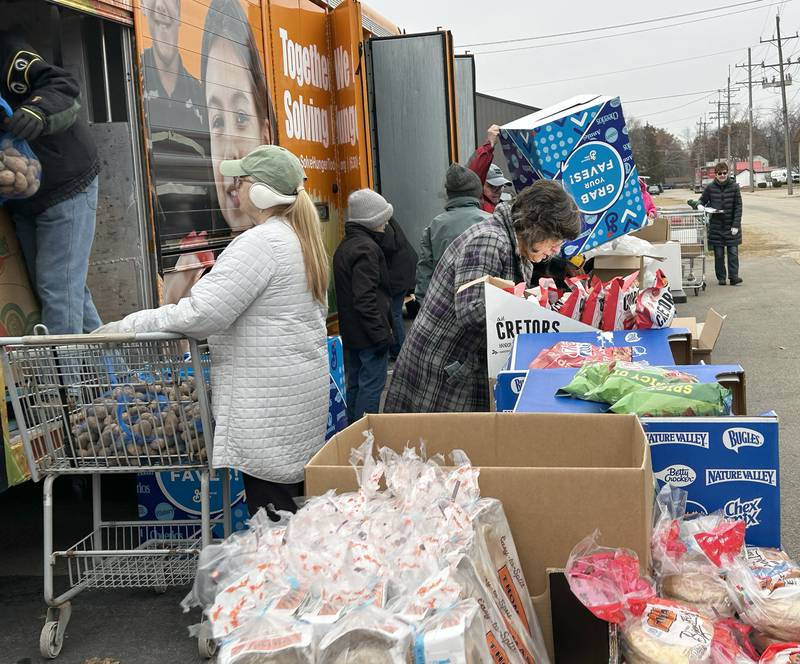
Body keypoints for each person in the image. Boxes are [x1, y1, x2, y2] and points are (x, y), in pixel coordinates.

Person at [94, 146, 329, 519]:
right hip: (291, 400)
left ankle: (279, 576)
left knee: (273, 523)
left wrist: (128, 326)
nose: (234, 188)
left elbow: (201, 314)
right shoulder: (296, 237)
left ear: (261, 192)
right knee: (290, 516)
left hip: (267, 408)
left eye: (243, 181)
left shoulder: (260, 243)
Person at [384, 180, 581, 414]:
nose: (556, 250)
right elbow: (472, 312)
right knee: (429, 446)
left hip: (459, 364)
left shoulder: (516, 244)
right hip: (442, 368)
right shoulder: (489, 240)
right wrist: (531, 311)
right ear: (536, 228)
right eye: (555, 241)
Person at [164, 0, 278, 304]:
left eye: (241, 119)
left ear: (265, 135)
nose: (228, 153)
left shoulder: (273, 252)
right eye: (217, 121)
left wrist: (173, 311)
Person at [0, 32, 102, 334]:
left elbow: (63, 84)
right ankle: (115, 375)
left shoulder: (8, 54)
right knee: (66, 290)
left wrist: (38, 111)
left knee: (58, 290)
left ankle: (67, 383)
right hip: (23, 198)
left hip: (65, 182)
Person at [333, 189, 394, 423]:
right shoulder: (367, 249)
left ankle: (353, 436)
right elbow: (365, 298)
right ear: (371, 220)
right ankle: (366, 436)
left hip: (352, 333)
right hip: (369, 334)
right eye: (382, 217)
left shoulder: (346, 246)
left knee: (356, 385)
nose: (386, 222)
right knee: (371, 387)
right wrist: (381, 335)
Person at [415, 164, 491, 304]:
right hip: (484, 304)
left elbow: (425, 271)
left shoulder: (435, 226)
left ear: (449, 194)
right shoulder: (490, 222)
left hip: (445, 304)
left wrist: (424, 303)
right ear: (477, 192)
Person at [700, 162, 743, 286]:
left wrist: (735, 225)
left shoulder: (734, 187)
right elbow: (702, 200)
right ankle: (721, 278)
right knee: (718, 255)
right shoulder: (710, 187)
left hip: (731, 226)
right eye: (720, 173)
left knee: (733, 253)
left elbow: (738, 207)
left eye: (725, 173)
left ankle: (734, 277)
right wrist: (700, 206)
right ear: (716, 174)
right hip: (716, 227)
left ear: (728, 173)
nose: (722, 175)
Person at [380, 216, 417, 360]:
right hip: (404, 270)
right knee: (395, 312)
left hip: (398, 273)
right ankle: (400, 350)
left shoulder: (385, 227)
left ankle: (399, 351)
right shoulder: (390, 222)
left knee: (394, 312)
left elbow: (388, 248)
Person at [467, 124, 512, 213]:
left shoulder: (508, 206)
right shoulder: (477, 204)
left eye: (500, 187)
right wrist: (489, 144)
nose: (497, 191)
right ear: (481, 185)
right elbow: (474, 173)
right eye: (492, 186)